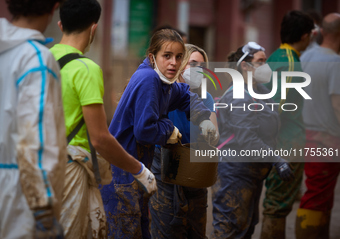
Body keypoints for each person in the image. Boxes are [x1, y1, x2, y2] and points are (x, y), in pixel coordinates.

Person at [50, 0, 157, 238]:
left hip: (39, 168)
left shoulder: (41, 58)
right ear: (94, 28)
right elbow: (100, 138)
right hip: (70, 172)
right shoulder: (86, 69)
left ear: (60, 24)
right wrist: (139, 169)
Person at [100, 29, 218, 238]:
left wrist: (203, 118)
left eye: (178, 57)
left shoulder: (165, 82)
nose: (173, 62)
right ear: (152, 57)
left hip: (136, 169)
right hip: (123, 173)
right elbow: (145, 130)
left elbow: (183, 95)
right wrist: (168, 130)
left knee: (142, 231)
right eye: (167, 56)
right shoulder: (148, 79)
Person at [0, 0, 66, 238]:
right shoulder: (36, 59)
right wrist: (43, 207)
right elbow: (34, 137)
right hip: (21, 197)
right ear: (53, 9)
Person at [211, 42, 293, 239]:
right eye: (261, 61)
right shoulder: (239, 96)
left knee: (246, 228)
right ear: (245, 66)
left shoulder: (261, 92)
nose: (266, 66)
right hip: (235, 173)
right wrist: (277, 159)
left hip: (252, 173)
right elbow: (248, 139)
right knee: (230, 229)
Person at [149, 44, 219, 238]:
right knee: (166, 231)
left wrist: (211, 132)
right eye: (193, 64)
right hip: (165, 170)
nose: (198, 70)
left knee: (195, 231)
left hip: (195, 174)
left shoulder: (205, 97)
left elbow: (214, 134)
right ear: (180, 64)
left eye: (202, 66)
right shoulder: (165, 92)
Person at [260, 10, 314, 239]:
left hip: (277, 143)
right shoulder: (290, 63)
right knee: (277, 204)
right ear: (304, 36)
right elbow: (276, 108)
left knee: (274, 202)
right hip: (285, 143)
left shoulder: (273, 57)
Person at [295, 13, 340, 239]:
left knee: (319, 193)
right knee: (317, 196)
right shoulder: (334, 63)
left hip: (306, 132)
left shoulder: (307, 56)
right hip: (327, 138)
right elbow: (338, 106)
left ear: (322, 31)